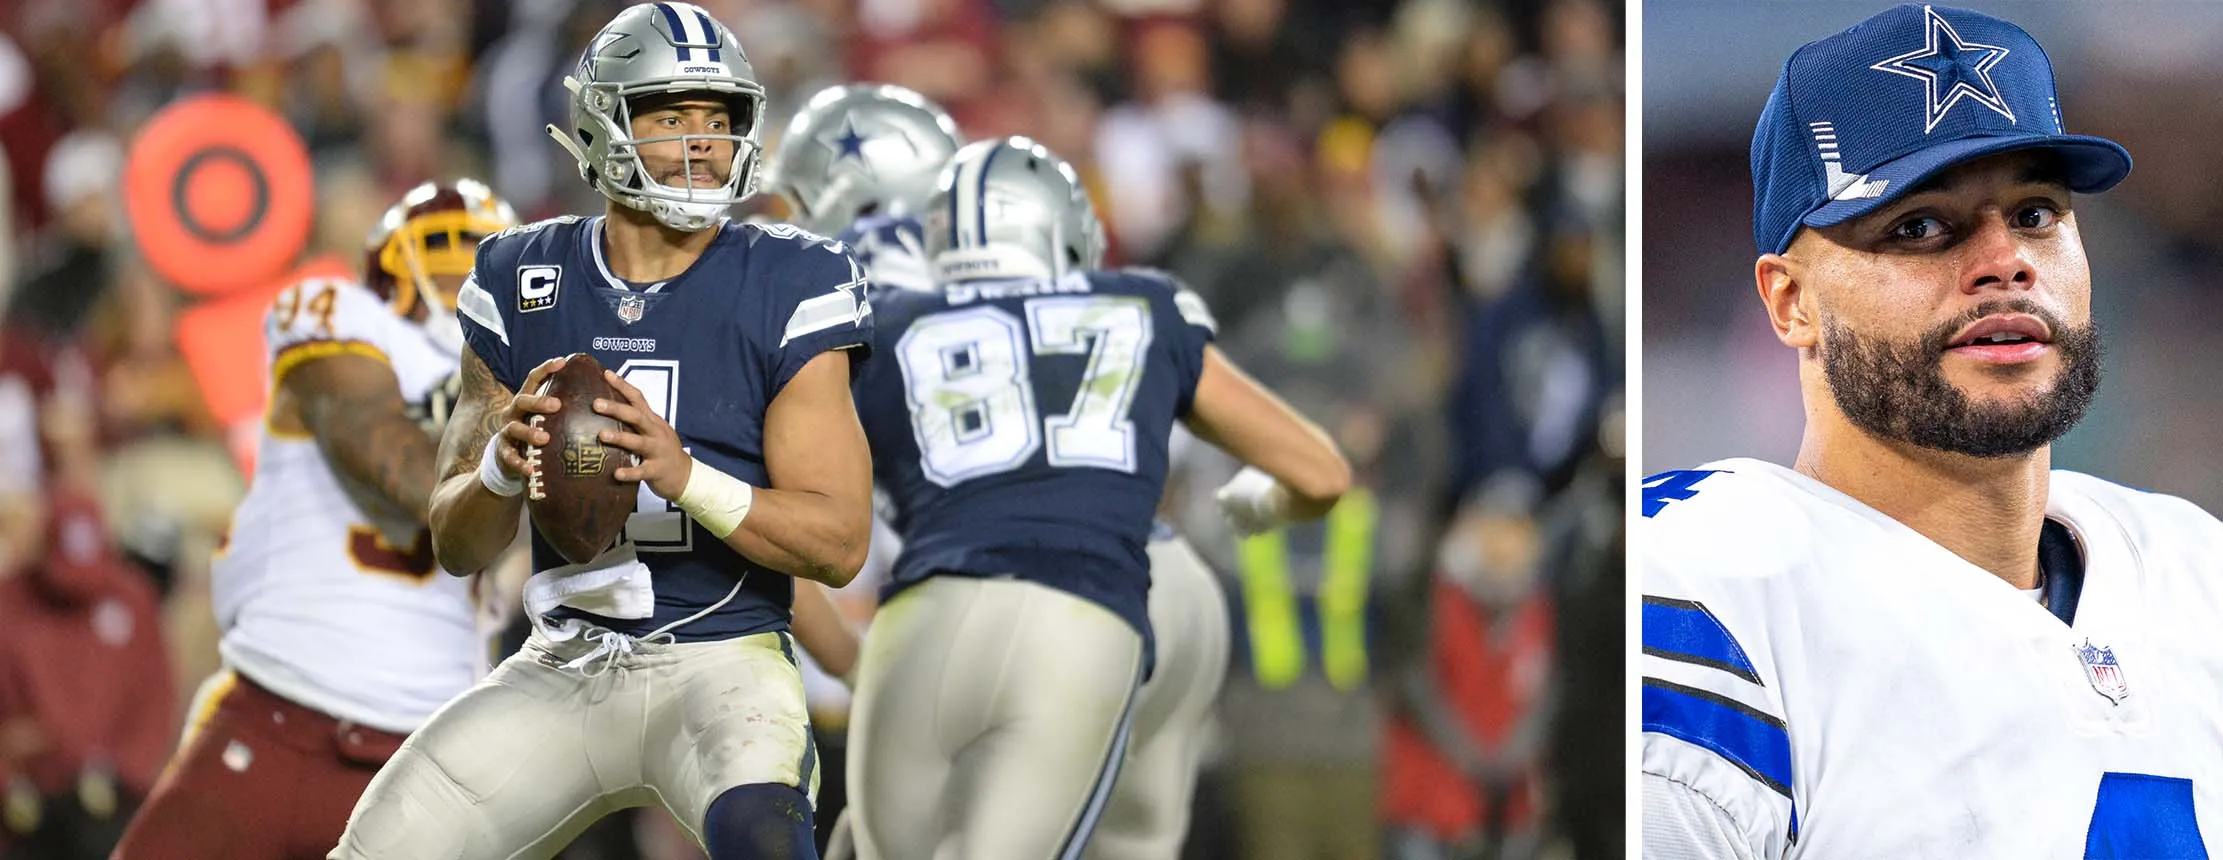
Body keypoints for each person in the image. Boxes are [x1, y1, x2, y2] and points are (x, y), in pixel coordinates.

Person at [1640, 4, 2223, 858]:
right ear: (1789, 301)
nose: (2006, 260)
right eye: (1919, 226)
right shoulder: (1705, 604)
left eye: (2035, 213)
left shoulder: (2195, 573)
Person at [329, 4, 875, 858]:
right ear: (601, 123)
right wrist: (500, 472)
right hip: (565, 663)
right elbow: (457, 542)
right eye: (670, 116)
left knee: (764, 846)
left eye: (718, 120)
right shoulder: (521, 273)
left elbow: (838, 542)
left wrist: (684, 473)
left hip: (723, 662)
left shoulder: (789, 278)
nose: (702, 143)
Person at [839, 135, 1348, 859]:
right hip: (1076, 618)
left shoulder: (882, 325)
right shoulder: (1143, 304)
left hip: (922, 620)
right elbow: (1321, 474)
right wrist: (1254, 505)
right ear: (1060, 227)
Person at [108, 180, 516, 860]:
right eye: (439, 259)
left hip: (427, 752)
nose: (456, 284)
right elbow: (406, 478)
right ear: (388, 271)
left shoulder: (527, 378)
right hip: (284, 705)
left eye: (474, 264)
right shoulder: (340, 316)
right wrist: (506, 438)